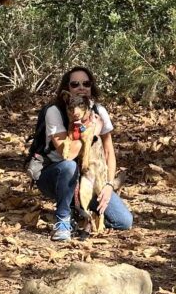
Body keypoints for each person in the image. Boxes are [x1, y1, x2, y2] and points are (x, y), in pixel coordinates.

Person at [37, 66, 133, 241]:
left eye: (86, 83)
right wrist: (92, 133)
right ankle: (63, 220)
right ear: (67, 89)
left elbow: (108, 152)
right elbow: (68, 155)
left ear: (91, 87)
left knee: (123, 221)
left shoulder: (99, 111)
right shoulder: (55, 111)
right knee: (69, 166)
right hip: (56, 175)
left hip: (90, 174)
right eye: (75, 84)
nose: (81, 87)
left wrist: (109, 185)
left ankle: (82, 210)